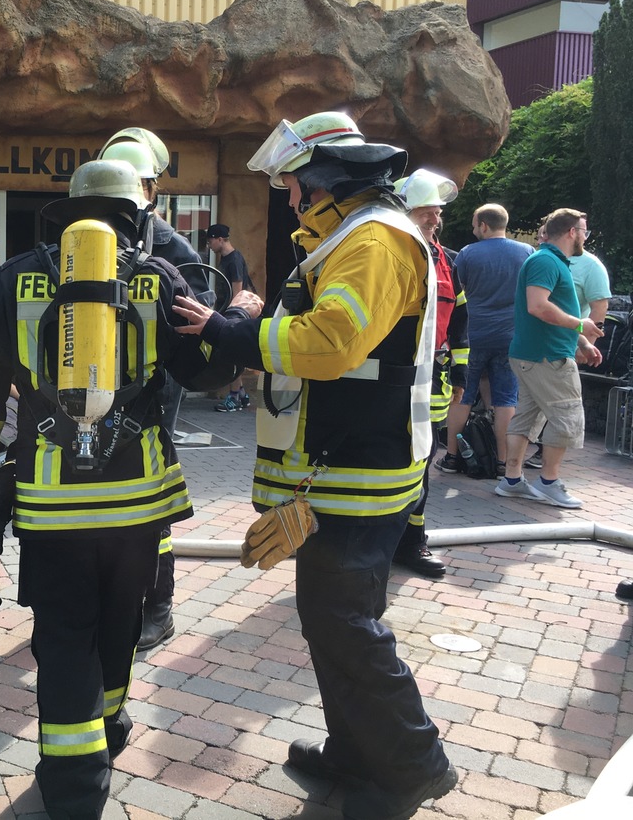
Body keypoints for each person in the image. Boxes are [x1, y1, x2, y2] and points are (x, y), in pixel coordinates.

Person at [173, 110, 458, 819]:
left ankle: (414, 766)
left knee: (347, 625)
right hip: (345, 467)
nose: (291, 198)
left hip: (357, 472)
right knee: (332, 619)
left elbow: (331, 345)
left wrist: (229, 330)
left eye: (296, 183)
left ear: (329, 177)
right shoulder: (352, 237)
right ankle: (357, 754)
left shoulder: (371, 241)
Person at [0, 158, 257, 820]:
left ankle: (71, 785)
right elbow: (205, 377)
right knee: (119, 625)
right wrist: (234, 314)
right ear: (134, 214)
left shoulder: (12, 278)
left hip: (50, 500)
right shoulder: (156, 276)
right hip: (135, 504)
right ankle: (109, 730)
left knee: (62, 636)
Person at [100, 130, 216, 652]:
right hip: (92, 385)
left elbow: (198, 326)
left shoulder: (173, 247)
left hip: (153, 386)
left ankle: (157, 603)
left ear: (150, 190)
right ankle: (108, 593)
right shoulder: (85, 235)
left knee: (150, 485)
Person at [496, 208, 602, 508]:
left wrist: (580, 340)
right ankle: (548, 482)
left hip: (533, 354)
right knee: (567, 417)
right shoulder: (546, 261)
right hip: (548, 357)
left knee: (527, 418)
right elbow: (538, 307)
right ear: (571, 232)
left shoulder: (548, 260)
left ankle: (512, 480)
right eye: (584, 231)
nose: (585, 236)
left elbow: (551, 310)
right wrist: (581, 326)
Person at [391, 169, 467, 579]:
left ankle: (412, 543)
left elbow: (461, 319)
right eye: (426, 213)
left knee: (422, 464)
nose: (434, 220)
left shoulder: (447, 260)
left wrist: (461, 371)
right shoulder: (388, 255)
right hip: (392, 381)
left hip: (432, 381)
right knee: (387, 459)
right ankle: (376, 539)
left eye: (436, 213)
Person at [435, 204, 533, 476]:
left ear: (484, 226)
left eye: (475, 223)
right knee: (505, 400)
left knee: (461, 395)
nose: (472, 228)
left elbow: (456, 294)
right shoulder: (526, 253)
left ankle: (453, 457)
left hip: (472, 336)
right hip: (510, 338)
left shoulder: (467, 254)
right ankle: (504, 463)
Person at [205, 223, 256, 412]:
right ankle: (241, 394)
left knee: (232, 354)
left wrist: (232, 317)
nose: (209, 244)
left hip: (235, 313)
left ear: (220, 239)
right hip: (228, 311)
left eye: (210, 240)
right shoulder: (227, 258)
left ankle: (234, 397)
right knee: (232, 353)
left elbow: (237, 291)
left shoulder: (233, 260)